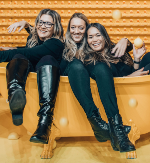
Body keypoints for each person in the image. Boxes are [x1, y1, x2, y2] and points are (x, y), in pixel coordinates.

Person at [8, 13, 132, 149]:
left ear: (87, 31)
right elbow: (42, 37)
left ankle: (116, 130)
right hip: (67, 74)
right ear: (68, 29)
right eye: (73, 27)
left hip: (86, 76)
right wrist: (27, 25)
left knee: (101, 66)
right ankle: (96, 121)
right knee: (76, 65)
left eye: (81, 28)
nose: (76, 31)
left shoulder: (91, 44)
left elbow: (113, 49)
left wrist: (126, 41)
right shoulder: (61, 44)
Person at [82, 22, 149, 152]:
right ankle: (118, 131)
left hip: (134, 87)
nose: (94, 39)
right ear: (86, 40)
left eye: (98, 35)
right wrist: (129, 78)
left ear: (105, 36)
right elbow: (106, 80)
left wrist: (135, 59)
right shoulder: (91, 60)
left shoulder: (115, 49)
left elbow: (131, 72)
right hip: (123, 93)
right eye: (90, 37)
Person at [0, 8, 64, 144]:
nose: (42, 26)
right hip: (34, 84)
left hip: (49, 82)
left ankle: (45, 123)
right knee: (18, 56)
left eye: (48, 24)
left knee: (46, 58)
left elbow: (31, 53)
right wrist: (27, 25)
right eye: (40, 22)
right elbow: (29, 48)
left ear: (55, 27)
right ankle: (16, 95)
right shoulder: (34, 39)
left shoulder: (56, 44)